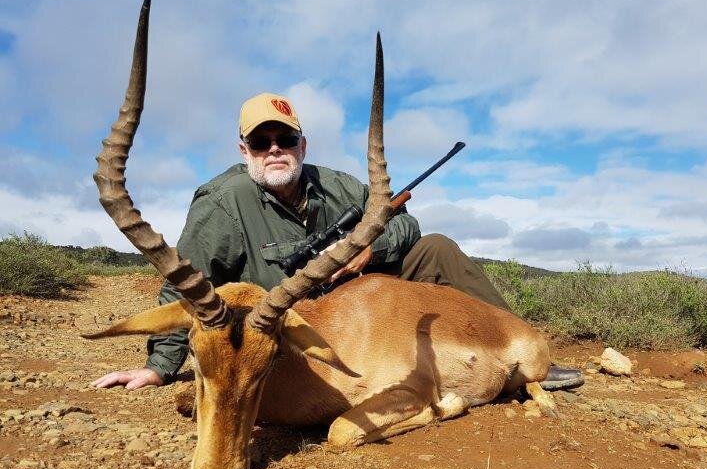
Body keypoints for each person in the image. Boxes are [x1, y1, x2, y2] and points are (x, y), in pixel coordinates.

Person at [93, 92, 583, 391]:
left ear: (302, 144)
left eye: (286, 140)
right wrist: (160, 366)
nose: (276, 151)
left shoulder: (338, 184)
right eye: (262, 143)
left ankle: (524, 349)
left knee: (436, 247)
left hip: (363, 302)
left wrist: (371, 248)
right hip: (291, 326)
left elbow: (404, 223)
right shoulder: (223, 203)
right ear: (245, 150)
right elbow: (182, 284)